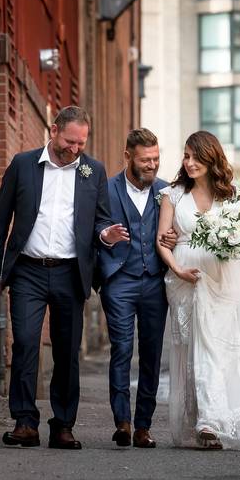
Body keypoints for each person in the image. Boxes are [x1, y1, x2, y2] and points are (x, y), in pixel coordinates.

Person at [0, 106, 129, 450]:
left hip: (70, 272)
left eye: (81, 143)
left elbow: (99, 221)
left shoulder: (93, 171)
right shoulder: (23, 164)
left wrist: (106, 235)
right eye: (69, 141)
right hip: (28, 271)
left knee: (66, 352)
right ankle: (24, 422)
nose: (75, 149)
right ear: (53, 130)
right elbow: (0, 219)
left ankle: (63, 425)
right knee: (26, 344)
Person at [156, 131, 240, 450]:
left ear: (210, 157)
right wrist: (177, 269)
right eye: (186, 156)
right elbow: (162, 240)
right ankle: (204, 419)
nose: (189, 162)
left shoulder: (230, 196)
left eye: (195, 156)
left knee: (224, 348)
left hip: (224, 278)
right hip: (187, 275)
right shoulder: (172, 195)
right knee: (196, 349)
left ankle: (216, 421)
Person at [96, 128, 174, 448]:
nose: (152, 165)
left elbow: (177, 229)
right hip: (120, 280)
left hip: (155, 281)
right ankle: (123, 422)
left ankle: (143, 425)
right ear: (127, 156)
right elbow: (92, 225)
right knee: (122, 350)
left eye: (155, 159)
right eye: (145, 160)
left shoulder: (166, 191)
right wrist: (106, 236)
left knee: (152, 355)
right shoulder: (106, 189)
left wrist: (174, 239)